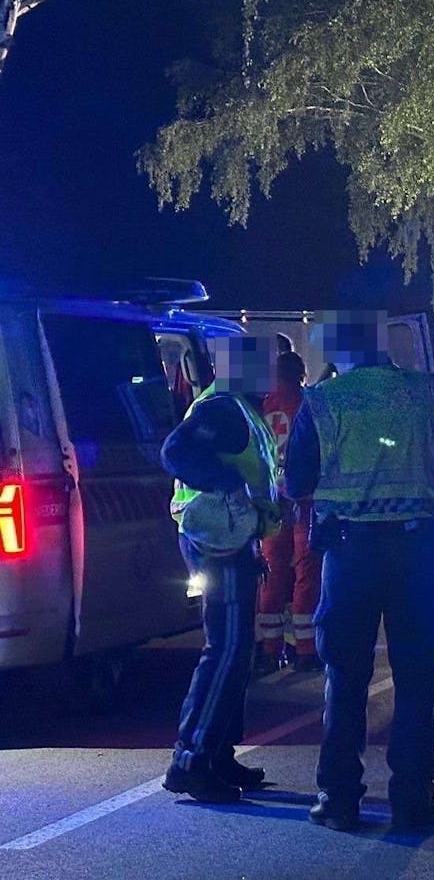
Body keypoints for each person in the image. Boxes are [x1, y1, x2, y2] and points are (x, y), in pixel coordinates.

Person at [285, 311, 434, 832]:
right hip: (415, 552)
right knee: (414, 679)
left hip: (349, 554)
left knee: (345, 677)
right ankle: (413, 799)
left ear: (340, 352)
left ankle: (338, 800)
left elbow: (296, 481)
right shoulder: (428, 393)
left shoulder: (323, 401)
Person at [161, 335, 282, 804]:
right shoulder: (223, 409)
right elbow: (176, 452)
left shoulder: (238, 407)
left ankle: (217, 753)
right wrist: (229, 485)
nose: (272, 371)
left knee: (236, 652)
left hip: (232, 539)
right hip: (219, 543)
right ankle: (191, 760)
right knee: (227, 651)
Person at [256, 350, 323, 674]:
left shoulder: (261, 405)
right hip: (304, 499)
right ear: (300, 374)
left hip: (271, 501)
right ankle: (307, 649)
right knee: (306, 572)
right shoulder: (308, 403)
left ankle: (271, 647)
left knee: (273, 570)